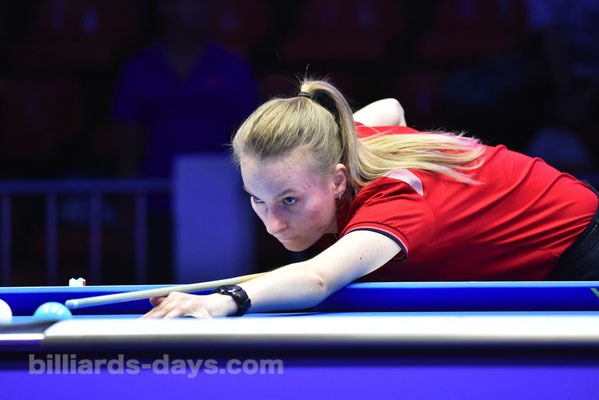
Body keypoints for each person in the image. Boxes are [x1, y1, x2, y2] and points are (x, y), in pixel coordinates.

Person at [143, 79, 599, 319]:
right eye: (257, 200)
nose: (273, 224)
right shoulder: (343, 142)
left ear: (338, 180)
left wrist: (221, 301)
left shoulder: (395, 201)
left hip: (584, 247)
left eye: (289, 201)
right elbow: (390, 107)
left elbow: (318, 278)